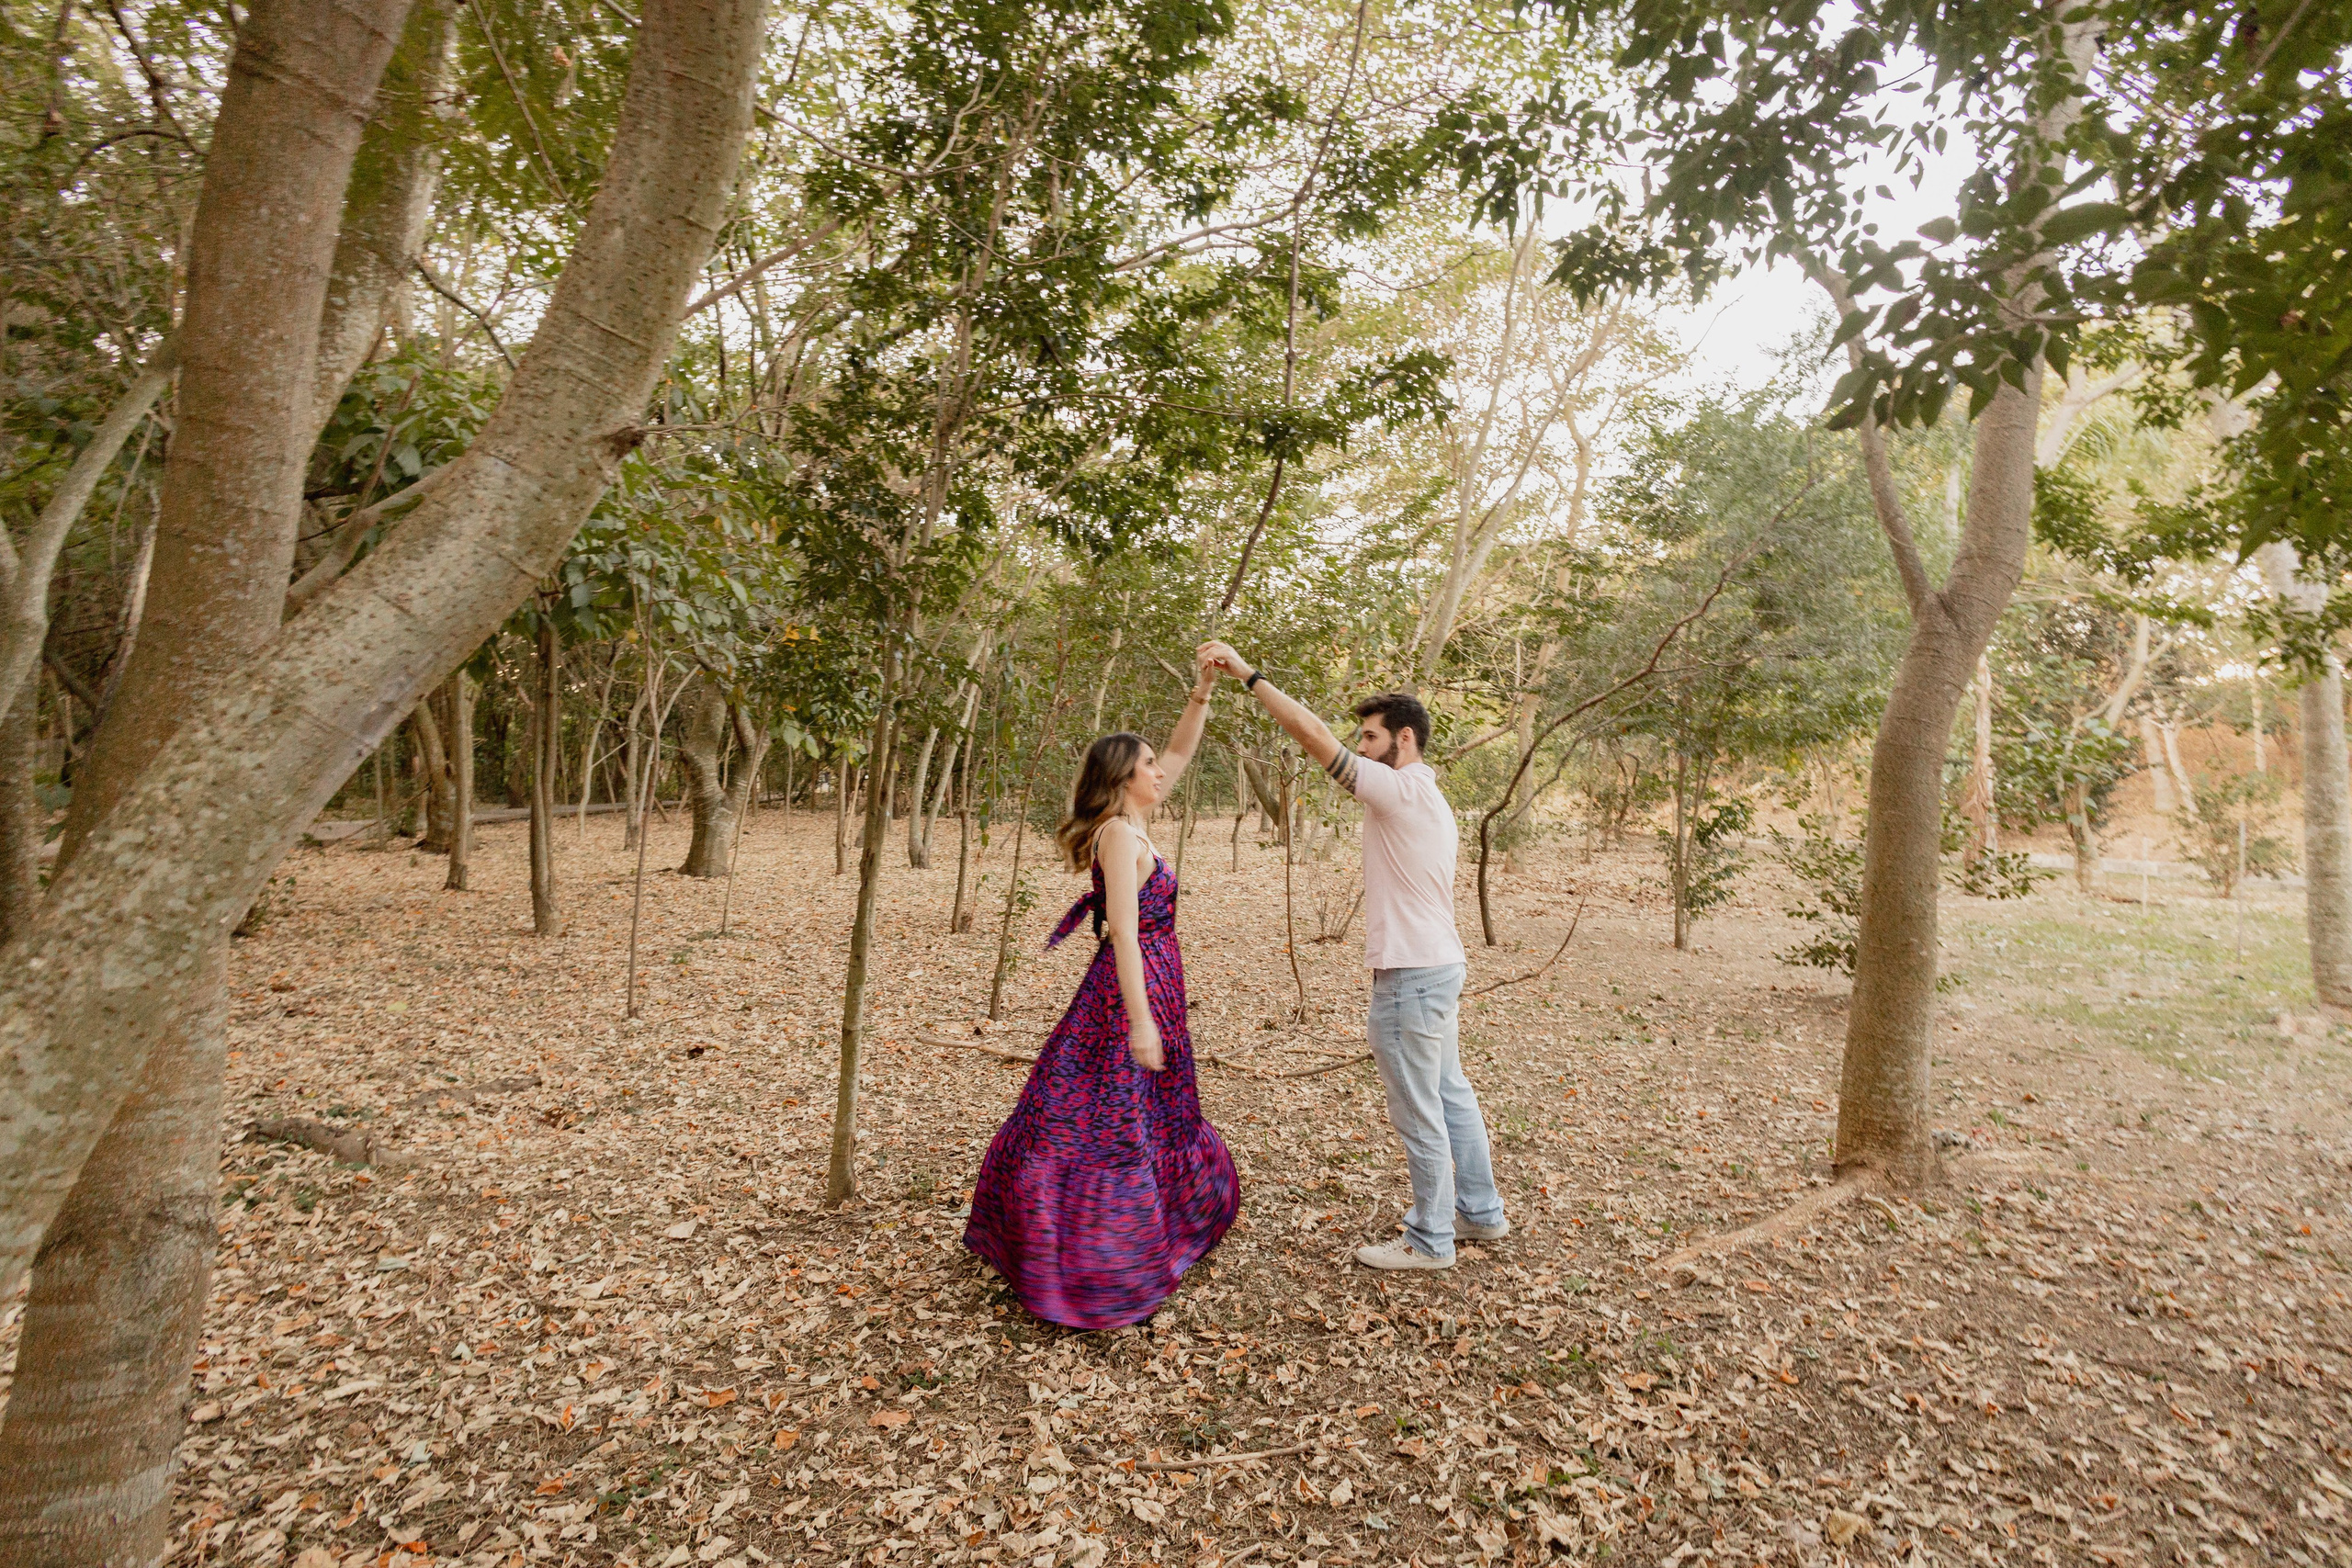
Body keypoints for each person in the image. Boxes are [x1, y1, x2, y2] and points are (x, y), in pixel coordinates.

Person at [1196, 640, 1507, 1271]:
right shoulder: (1428, 796)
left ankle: (1431, 1240)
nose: (1359, 747)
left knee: (1420, 1106)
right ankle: (1479, 1212)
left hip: (1413, 976)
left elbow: (1311, 734)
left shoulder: (1398, 791)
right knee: (1449, 1091)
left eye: (1369, 737)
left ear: (1405, 741)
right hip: (1439, 964)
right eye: (1360, 738)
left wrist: (1249, 674)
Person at [962, 669, 1240, 1328]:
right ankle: (1093, 1258)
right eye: (1146, 765)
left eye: (1154, 762)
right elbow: (1120, 928)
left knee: (1143, 1110)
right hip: (1126, 990)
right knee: (1102, 1113)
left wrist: (1201, 693)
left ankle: (1156, 1226)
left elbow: (1180, 751)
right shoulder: (1118, 833)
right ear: (1122, 778)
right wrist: (1141, 1022)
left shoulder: (1136, 821)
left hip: (1160, 978)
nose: (1159, 771)